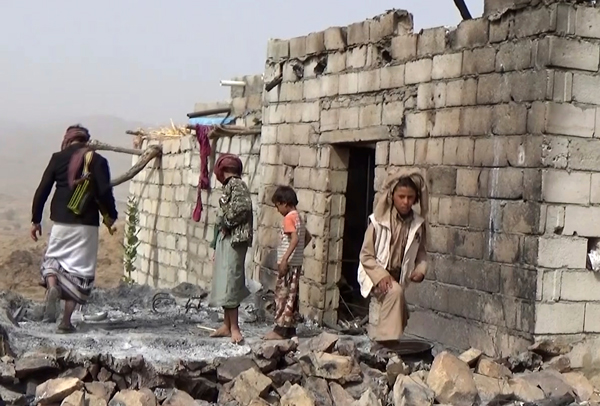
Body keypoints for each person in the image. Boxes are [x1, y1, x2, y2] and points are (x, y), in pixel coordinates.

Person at [31, 125, 118, 333]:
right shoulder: (98, 160)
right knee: (80, 272)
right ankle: (66, 322)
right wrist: (111, 215)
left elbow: (43, 189)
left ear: (68, 140)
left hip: (61, 221)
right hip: (86, 224)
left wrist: (35, 220)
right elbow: (105, 192)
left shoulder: (57, 158)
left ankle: (53, 285)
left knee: (53, 258)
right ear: (86, 140)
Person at [357, 169, 428, 346]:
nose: (405, 202)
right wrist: (380, 275)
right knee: (395, 292)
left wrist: (420, 270)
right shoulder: (378, 221)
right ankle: (387, 346)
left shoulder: (417, 225)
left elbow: (421, 253)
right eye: (401, 196)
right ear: (392, 196)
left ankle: (385, 343)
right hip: (375, 275)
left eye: (410, 197)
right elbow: (366, 255)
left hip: (398, 277)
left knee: (400, 305)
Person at [208, 154, 253, 344]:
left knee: (232, 282)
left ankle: (235, 327)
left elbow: (243, 208)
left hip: (235, 239)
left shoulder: (236, 185)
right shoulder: (230, 186)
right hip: (227, 240)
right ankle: (227, 325)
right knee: (226, 280)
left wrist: (226, 223)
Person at [263, 186, 312, 340]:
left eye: (278, 206)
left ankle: (279, 330)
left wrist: (285, 258)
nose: (278, 210)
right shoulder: (298, 217)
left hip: (289, 266)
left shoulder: (289, 218)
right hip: (296, 265)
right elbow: (307, 237)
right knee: (292, 297)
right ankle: (290, 329)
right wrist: (297, 253)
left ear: (284, 203)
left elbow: (295, 239)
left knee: (282, 296)